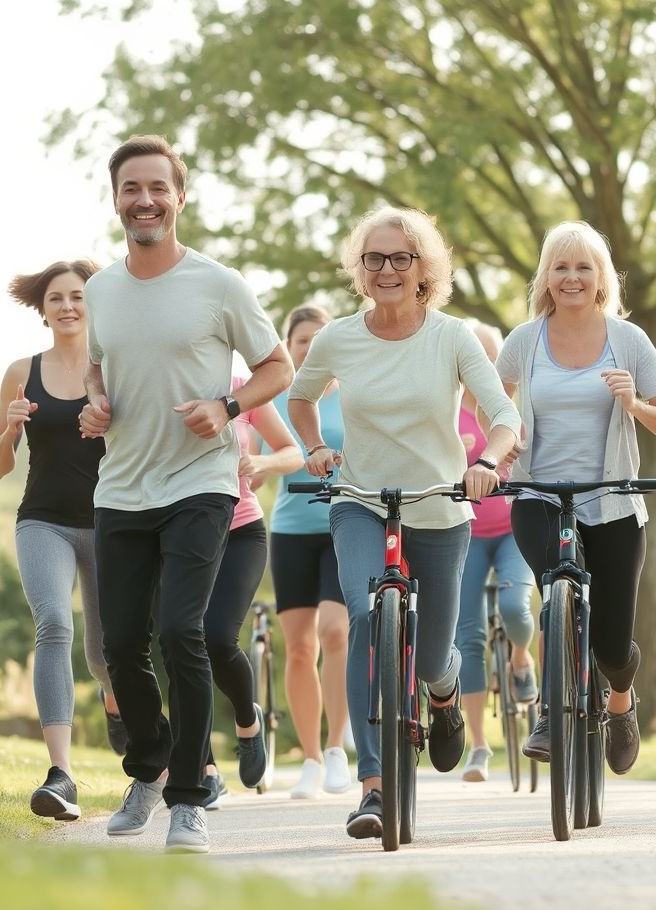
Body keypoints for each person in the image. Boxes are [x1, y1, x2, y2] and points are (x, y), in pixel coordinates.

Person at [78, 135, 292, 854]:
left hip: (202, 482)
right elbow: (99, 370)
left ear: (180, 196)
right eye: (131, 188)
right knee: (121, 645)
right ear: (115, 200)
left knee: (184, 633)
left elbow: (277, 365)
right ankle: (149, 763)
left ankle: (189, 796)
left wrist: (228, 411)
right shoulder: (101, 289)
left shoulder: (219, 284)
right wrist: (96, 404)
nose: (144, 200)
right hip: (121, 487)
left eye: (157, 188)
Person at [289, 207, 521, 840]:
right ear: (359, 269)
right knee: (368, 613)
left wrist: (488, 462)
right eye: (375, 258)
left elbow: (503, 415)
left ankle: (441, 694)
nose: (387, 269)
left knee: (432, 657)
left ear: (425, 269)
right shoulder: (337, 338)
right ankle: (373, 787)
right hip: (361, 499)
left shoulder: (451, 337)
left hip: (442, 505)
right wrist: (314, 448)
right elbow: (300, 397)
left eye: (400, 258)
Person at [496, 220, 656, 776]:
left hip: (612, 501)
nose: (572, 277)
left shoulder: (628, 340)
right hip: (538, 495)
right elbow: (490, 401)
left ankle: (620, 702)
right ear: (546, 277)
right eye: (561, 267)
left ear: (601, 277)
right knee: (556, 589)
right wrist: (500, 448)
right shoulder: (523, 341)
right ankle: (551, 718)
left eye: (584, 267)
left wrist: (636, 407)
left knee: (610, 644)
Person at [0, 258, 126, 822]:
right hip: (42, 519)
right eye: (56, 299)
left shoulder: (116, 368)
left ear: (93, 304)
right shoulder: (22, 371)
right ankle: (61, 775)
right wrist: (12, 426)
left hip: (111, 519)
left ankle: (116, 703)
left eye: (77, 297)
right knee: (53, 625)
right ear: (43, 311)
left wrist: (110, 419)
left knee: (104, 651)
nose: (67, 307)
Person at [262, 305, 353, 799]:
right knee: (299, 647)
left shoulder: (353, 394)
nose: (312, 346)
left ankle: (338, 748)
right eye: (302, 340)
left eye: (321, 338)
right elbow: (264, 452)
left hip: (345, 525)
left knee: (335, 631)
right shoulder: (279, 399)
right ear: (289, 347)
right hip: (291, 529)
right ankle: (312, 758)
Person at [198, 372, 301, 808]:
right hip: (179, 536)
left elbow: (292, 452)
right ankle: (203, 770)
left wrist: (261, 464)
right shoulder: (158, 378)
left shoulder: (241, 384)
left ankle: (247, 722)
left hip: (241, 531)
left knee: (218, 637)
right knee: (181, 643)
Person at [453, 320, 538, 783]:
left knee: (514, 606)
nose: (482, 365)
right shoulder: (449, 413)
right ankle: (480, 746)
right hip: (466, 534)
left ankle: (521, 656)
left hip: (513, 530)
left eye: (490, 356)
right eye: (474, 357)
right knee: (468, 637)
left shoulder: (513, 410)